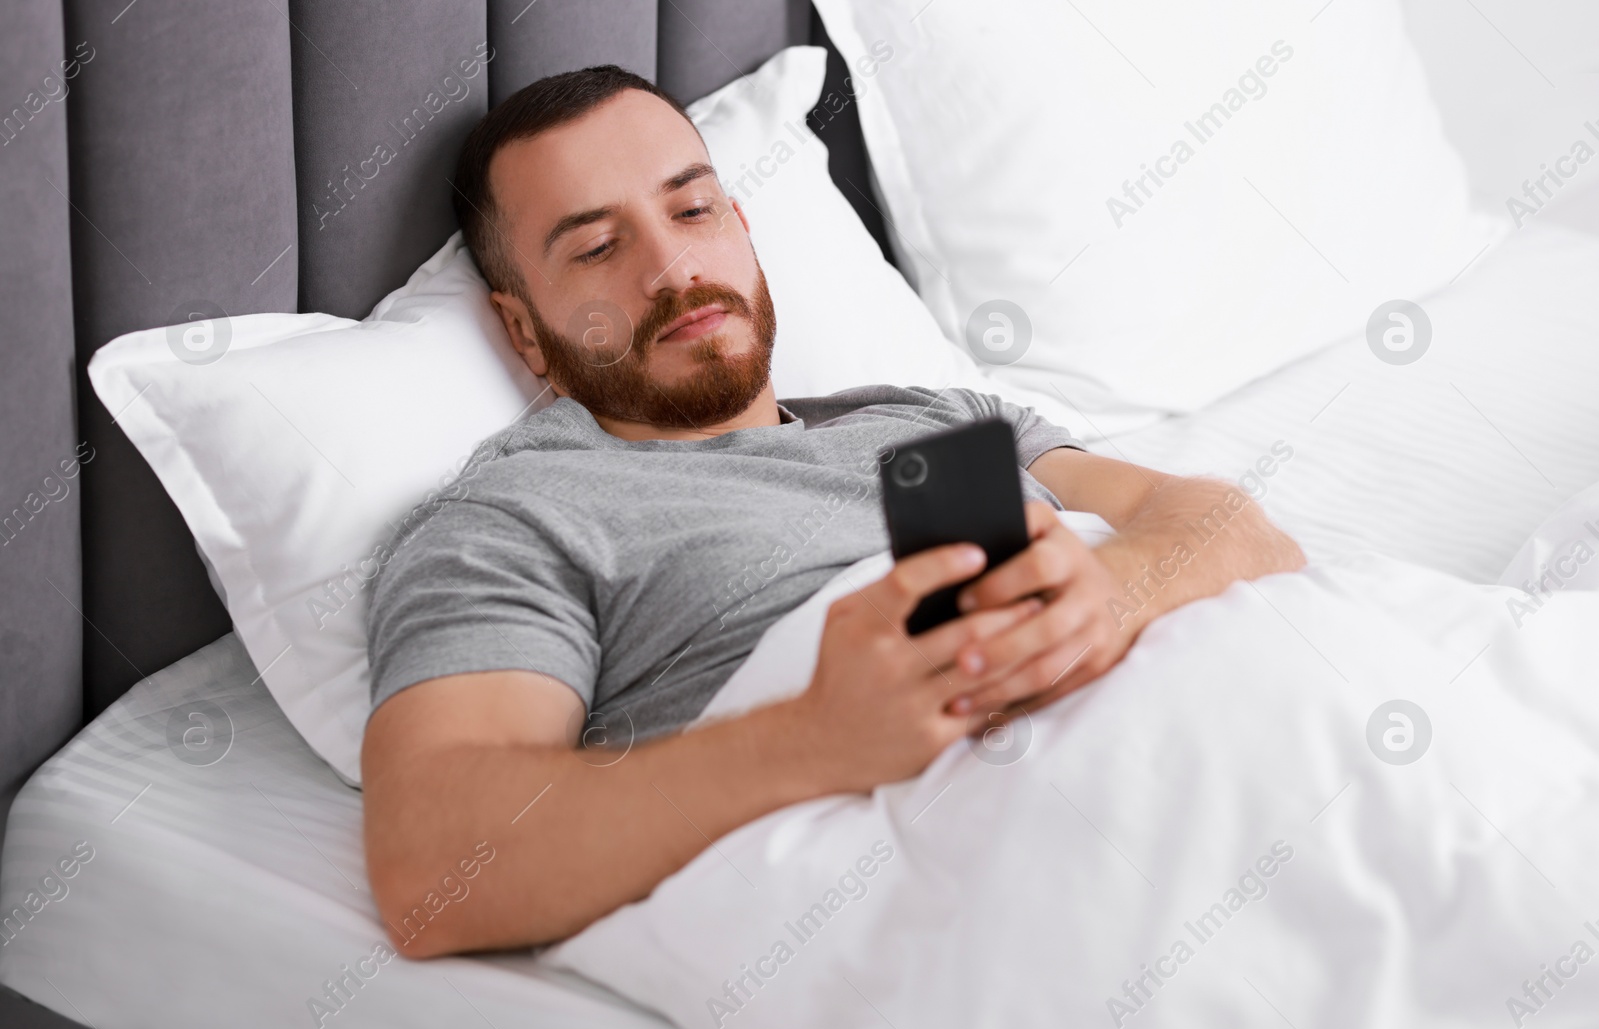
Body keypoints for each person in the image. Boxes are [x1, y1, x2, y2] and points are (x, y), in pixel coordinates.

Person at [360, 65, 1305, 959]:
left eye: (692, 209)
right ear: (523, 328)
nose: (673, 266)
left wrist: (1105, 598)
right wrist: (817, 735)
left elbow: (1238, 527)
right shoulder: (517, 514)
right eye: (601, 246)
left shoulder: (941, 414)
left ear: (741, 222)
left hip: (1257, 751)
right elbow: (431, 867)